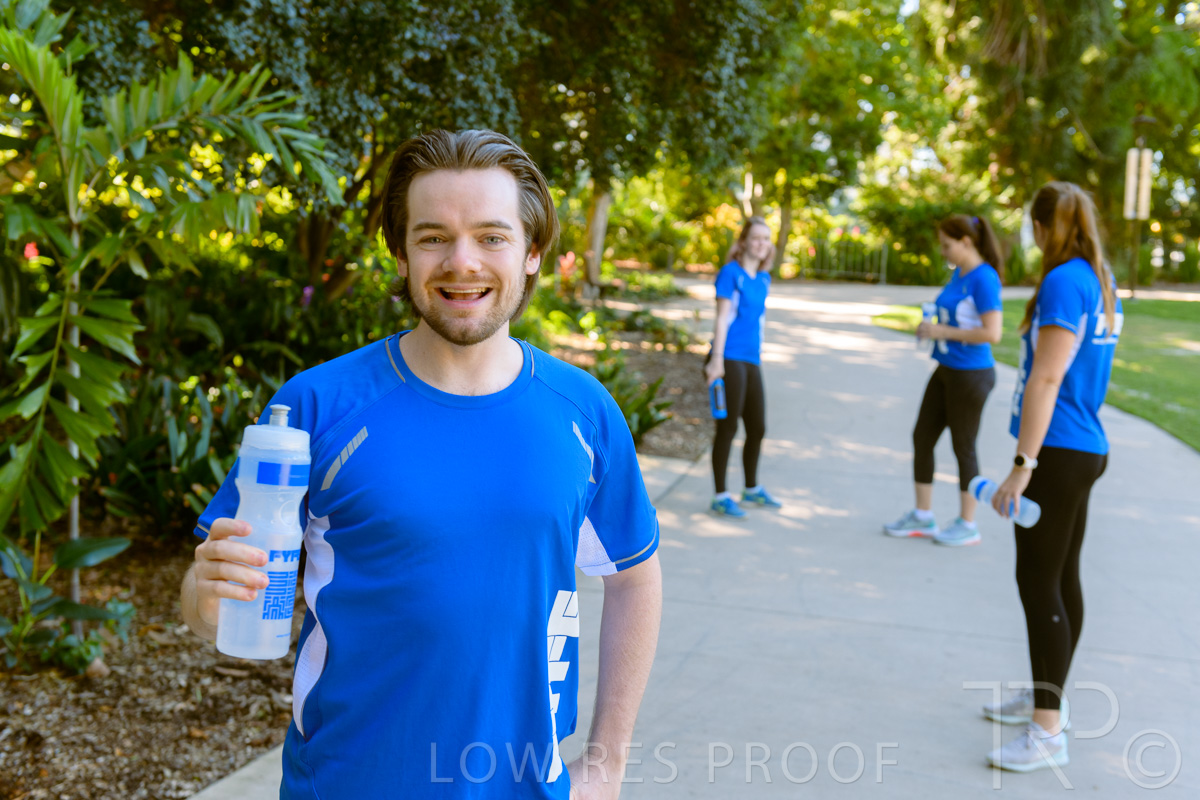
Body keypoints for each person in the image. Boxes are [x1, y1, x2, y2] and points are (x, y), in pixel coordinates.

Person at [180, 129, 663, 799]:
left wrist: (607, 764)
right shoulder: (317, 407)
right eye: (434, 237)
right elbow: (211, 602)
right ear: (401, 254)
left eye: (491, 237)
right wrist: (206, 594)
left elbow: (635, 579)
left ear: (532, 253)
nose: (462, 262)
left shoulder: (583, 413)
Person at [983, 181, 1121, 772]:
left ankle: (1047, 731)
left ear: (1042, 227)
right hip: (1078, 447)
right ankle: (1048, 695)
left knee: (1039, 584)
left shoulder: (1066, 280)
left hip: (1058, 452)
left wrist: (1022, 466)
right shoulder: (1097, 277)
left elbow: (1047, 378)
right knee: (1060, 580)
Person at [883, 214, 1004, 545]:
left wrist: (943, 331)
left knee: (963, 447)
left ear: (966, 242)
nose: (943, 251)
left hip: (971, 375)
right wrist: (931, 328)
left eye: (947, 245)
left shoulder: (984, 278)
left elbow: (993, 333)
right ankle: (923, 516)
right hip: (946, 369)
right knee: (922, 437)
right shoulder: (959, 274)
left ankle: (968, 523)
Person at [704, 216, 782, 518]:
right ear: (744, 242)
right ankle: (720, 496)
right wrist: (716, 360)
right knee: (728, 428)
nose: (762, 244)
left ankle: (751, 488)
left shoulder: (763, 279)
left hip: (751, 359)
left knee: (758, 427)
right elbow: (722, 318)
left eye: (766, 239)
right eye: (756, 238)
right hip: (729, 357)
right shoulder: (730, 274)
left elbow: (757, 321)